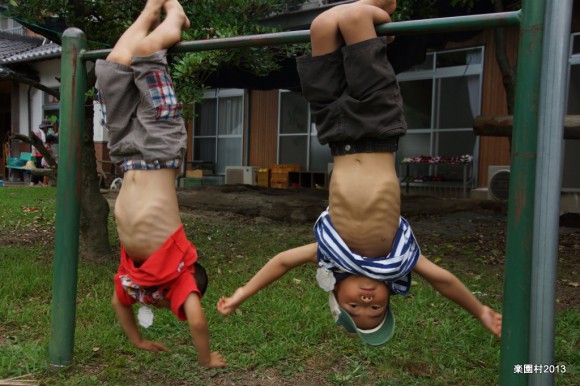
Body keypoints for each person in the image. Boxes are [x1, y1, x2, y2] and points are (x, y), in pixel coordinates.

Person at [217, 0, 502, 346]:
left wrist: (242, 293)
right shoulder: (399, 260)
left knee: (321, 27)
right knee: (354, 19)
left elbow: (280, 263)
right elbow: (443, 280)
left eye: (354, 306)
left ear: (336, 290)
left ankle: (372, 14)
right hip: (377, 129)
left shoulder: (328, 253)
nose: (367, 303)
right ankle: (381, 9)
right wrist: (481, 310)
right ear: (388, 297)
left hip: (336, 135)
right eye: (377, 310)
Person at [95, 0, 226, 368]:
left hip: (125, 153)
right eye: (186, 301)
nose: (154, 301)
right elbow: (198, 321)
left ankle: (151, 9)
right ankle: (175, 17)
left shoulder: (133, 276)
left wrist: (137, 339)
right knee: (147, 53)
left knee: (112, 71)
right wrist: (205, 359)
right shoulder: (178, 273)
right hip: (160, 147)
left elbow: (119, 301)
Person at [30, 119, 52, 186]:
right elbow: (33, 144)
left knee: (42, 168)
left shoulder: (46, 134)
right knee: (37, 168)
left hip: (43, 154)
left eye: (48, 127)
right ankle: (33, 182)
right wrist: (33, 154)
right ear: (44, 127)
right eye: (47, 127)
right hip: (37, 154)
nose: (48, 128)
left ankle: (40, 181)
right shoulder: (37, 133)